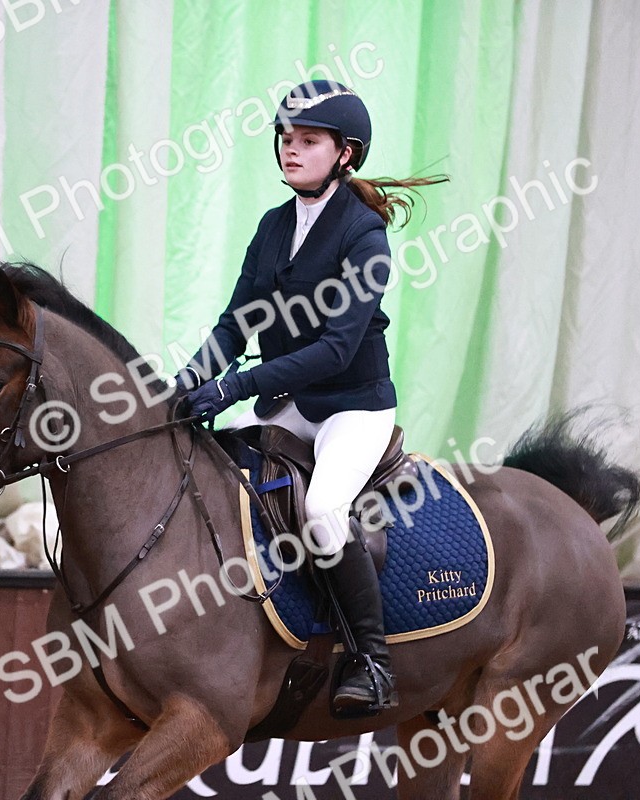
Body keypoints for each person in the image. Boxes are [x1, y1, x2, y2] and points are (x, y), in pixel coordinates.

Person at [175, 79, 446, 714]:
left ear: (346, 153)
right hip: (288, 402)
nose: (291, 151)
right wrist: (185, 385)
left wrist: (236, 385)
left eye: (308, 141)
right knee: (220, 477)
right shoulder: (273, 227)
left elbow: (335, 350)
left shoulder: (364, 235)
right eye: (286, 140)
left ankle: (371, 661)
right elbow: (236, 322)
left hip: (353, 406)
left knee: (323, 510)